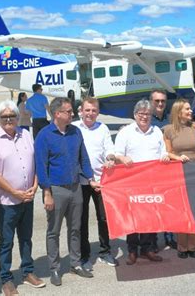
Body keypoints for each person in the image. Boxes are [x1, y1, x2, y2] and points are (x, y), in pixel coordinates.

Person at [35, 97, 100, 286]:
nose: (73, 114)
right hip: (55, 190)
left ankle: (75, 263)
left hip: (75, 188)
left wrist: (91, 179)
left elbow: (84, 159)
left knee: (75, 229)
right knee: (53, 231)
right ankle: (54, 268)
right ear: (57, 114)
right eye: (69, 111)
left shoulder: (75, 132)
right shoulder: (44, 135)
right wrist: (46, 192)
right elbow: (41, 165)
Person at [0, 100, 45, 295]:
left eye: (12, 116)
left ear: (18, 118)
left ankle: (27, 271)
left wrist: (35, 186)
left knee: (26, 238)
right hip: (6, 201)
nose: (9, 119)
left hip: (27, 198)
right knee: (6, 241)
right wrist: (14, 191)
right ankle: (6, 278)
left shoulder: (26, 134)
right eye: (4, 117)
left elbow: (35, 162)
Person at [115, 99, 169, 265]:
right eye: (141, 114)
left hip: (152, 182)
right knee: (133, 217)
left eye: (147, 114)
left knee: (150, 217)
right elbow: (116, 154)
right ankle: (132, 250)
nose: (144, 117)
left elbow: (163, 152)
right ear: (135, 115)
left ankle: (147, 249)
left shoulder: (157, 132)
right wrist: (123, 158)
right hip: (132, 183)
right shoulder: (125, 132)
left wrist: (165, 157)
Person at [72, 97, 119, 270]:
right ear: (81, 111)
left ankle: (105, 251)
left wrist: (111, 158)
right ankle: (84, 255)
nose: (90, 113)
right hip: (81, 182)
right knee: (81, 219)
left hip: (101, 181)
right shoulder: (74, 128)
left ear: (98, 112)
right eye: (87, 110)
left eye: (94, 110)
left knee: (104, 218)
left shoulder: (103, 128)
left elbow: (110, 148)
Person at [163, 99, 195, 259]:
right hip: (177, 174)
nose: (190, 111)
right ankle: (182, 246)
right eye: (187, 109)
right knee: (181, 211)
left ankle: (193, 246)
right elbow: (167, 152)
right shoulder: (168, 130)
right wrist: (178, 158)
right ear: (178, 111)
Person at [149, 88, 177, 250]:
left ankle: (170, 236)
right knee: (153, 206)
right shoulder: (145, 120)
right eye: (156, 101)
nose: (160, 104)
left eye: (163, 101)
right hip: (151, 171)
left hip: (168, 170)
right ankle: (152, 241)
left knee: (169, 205)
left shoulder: (170, 120)